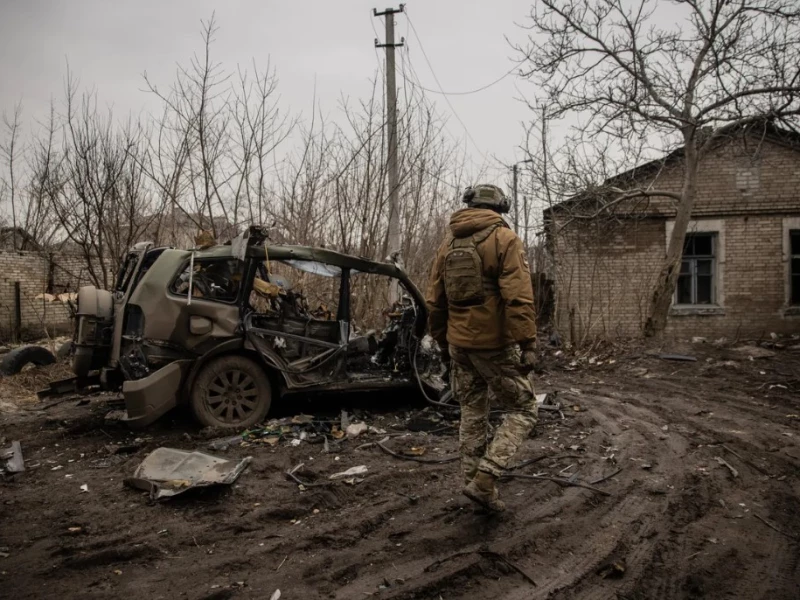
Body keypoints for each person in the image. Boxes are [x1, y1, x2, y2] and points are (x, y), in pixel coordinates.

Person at [426, 184, 538, 512]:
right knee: (524, 408)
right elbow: (518, 296)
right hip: (494, 345)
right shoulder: (505, 239)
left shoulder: (448, 243)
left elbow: (435, 301)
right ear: (500, 208)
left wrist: (443, 341)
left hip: (459, 343)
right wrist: (527, 343)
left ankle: (476, 488)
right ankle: (486, 478)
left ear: (470, 204)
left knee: (473, 410)